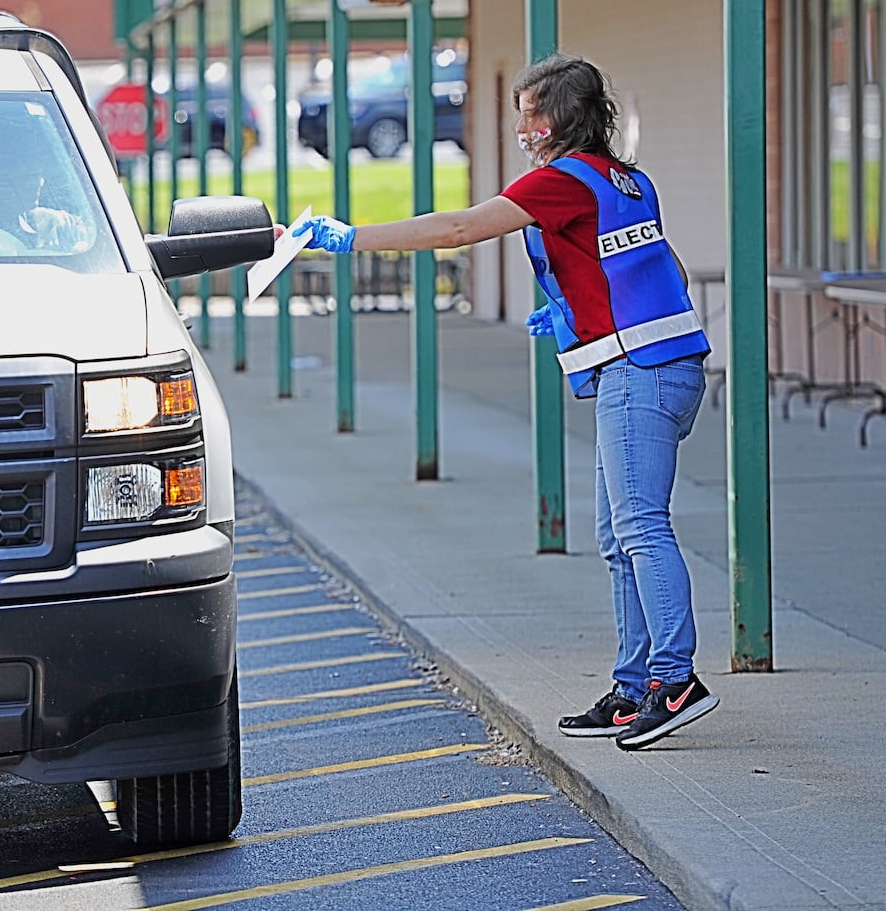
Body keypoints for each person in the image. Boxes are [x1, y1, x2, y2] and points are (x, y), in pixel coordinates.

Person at [294, 53, 718, 751]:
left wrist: (354, 238)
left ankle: (673, 682)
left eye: (524, 112)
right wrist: (570, 311)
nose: (517, 126)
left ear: (551, 119)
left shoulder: (560, 181)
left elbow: (457, 229)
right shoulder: (628, 180)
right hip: (662, 365)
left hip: (637, 370)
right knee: (617, 539)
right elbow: (639, 265)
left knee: (638, 528)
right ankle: (632, 685)